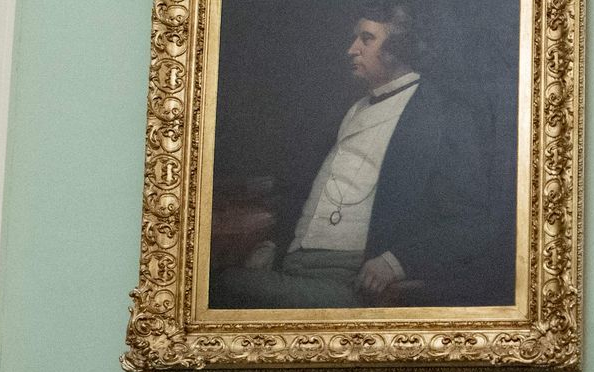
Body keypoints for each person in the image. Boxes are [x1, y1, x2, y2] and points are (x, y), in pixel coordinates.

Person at [211, 1, 512, 310]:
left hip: (349, 280)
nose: (352, 49)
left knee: (220, 285)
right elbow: (313, 190)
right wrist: (274, 244)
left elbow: (472, 222)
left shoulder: (442, 114)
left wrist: (394, 263)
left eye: (367, 39)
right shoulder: (354, 108)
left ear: (399, 47)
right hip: (291, 263)